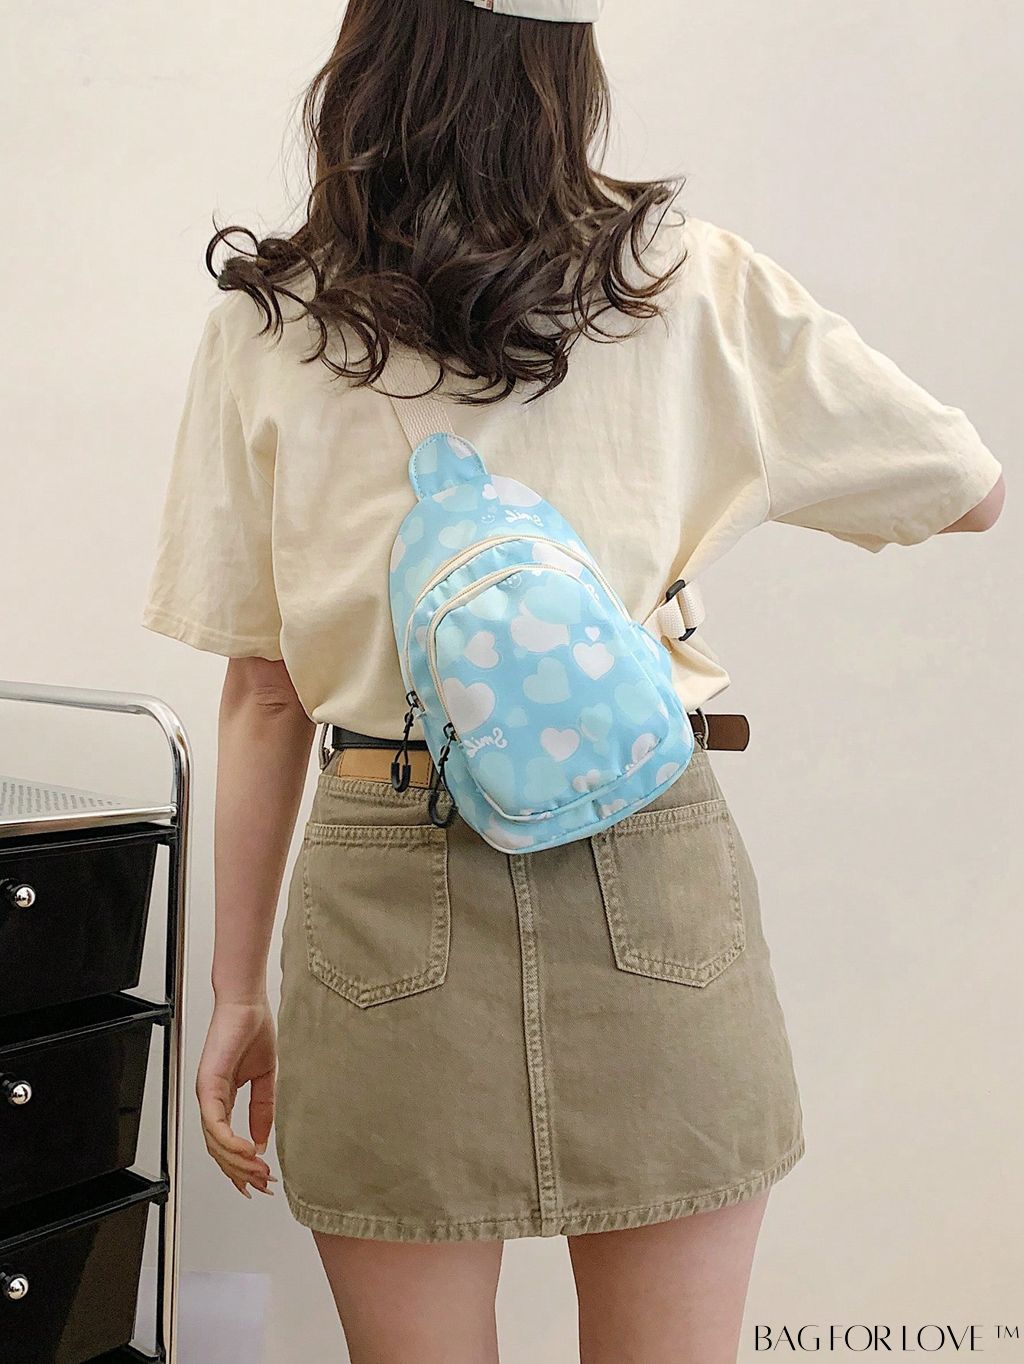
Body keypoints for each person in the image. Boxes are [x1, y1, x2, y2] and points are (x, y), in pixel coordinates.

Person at [140, 1, 1005, 1360]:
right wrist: (677, 522)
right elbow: (967, 487)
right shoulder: (683, 279)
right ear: (564, 68)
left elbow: (264, 693)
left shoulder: (273, 323)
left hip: (383, 881)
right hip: (648, 853)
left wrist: (235, 991)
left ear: (370, 52)